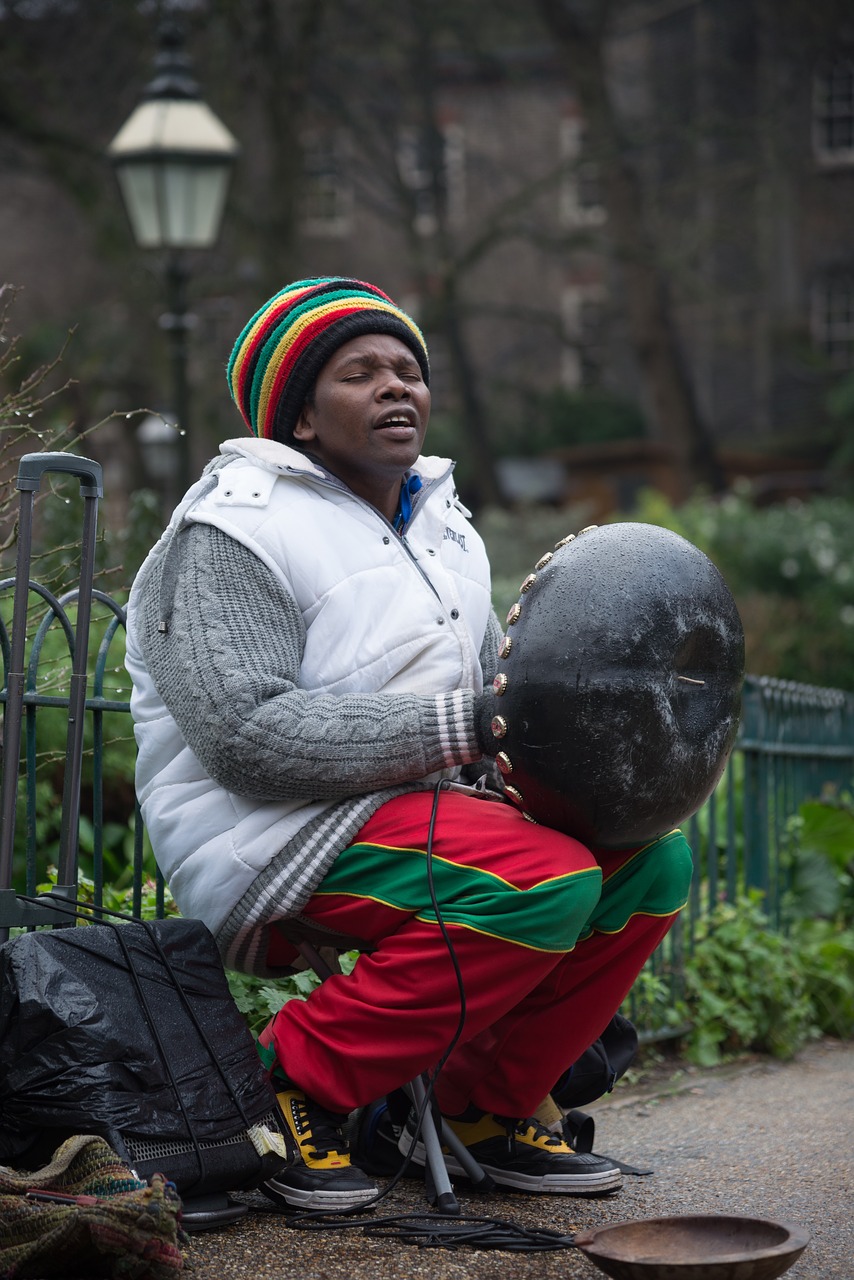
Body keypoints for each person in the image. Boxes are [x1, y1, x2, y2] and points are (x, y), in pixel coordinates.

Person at [125, 276, 693, 1212]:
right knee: (538, 877)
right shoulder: (232, 528)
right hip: (271, 834)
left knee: (647, 864)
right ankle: (281, 1084)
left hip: (415, 813)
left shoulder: (444, 525)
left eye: (408, 370)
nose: (399, 388)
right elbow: (247, 738)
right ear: (300, 416)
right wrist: (469, 728)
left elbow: (490, 707)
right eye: (360, 373)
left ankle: (482, 1108)